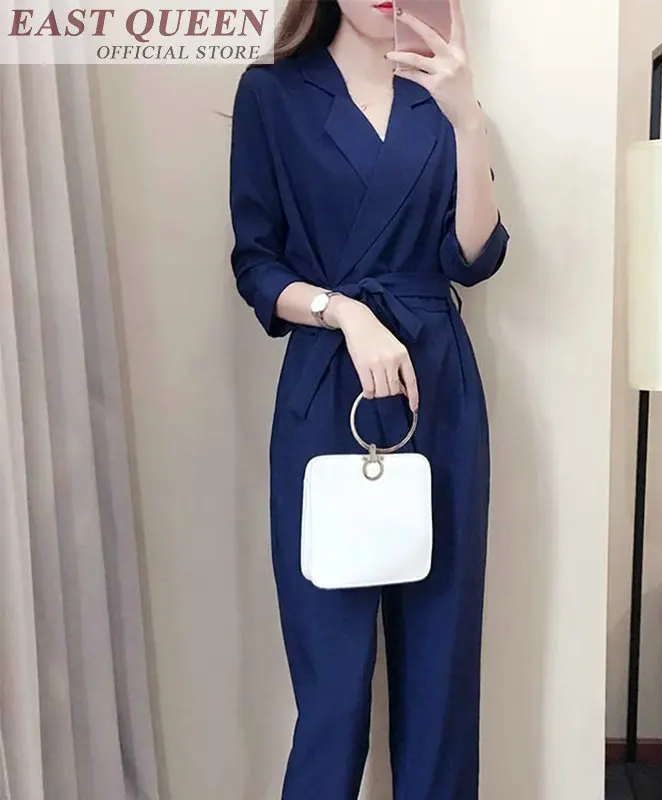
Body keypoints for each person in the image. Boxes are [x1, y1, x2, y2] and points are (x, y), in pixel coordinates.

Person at [228, 1, 510, 797]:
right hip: (327, 387)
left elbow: (473, 257)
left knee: (441, 673)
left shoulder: (443, 99)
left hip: (437, 391)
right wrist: (345, 313)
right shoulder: (274, 93)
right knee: (334, 686)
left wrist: (468, 120)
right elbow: (256, 263)